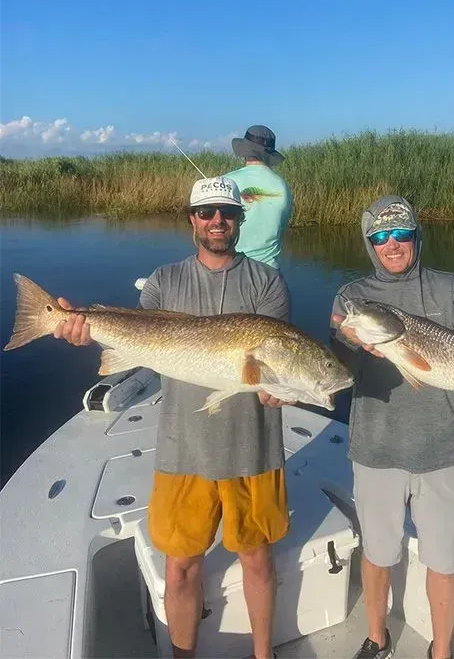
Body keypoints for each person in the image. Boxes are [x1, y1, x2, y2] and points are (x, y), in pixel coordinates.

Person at [54, 175, 290, 659]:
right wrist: (82, 329)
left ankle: (263, 655)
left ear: (240, 220)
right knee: (181, 566)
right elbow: (135, 344)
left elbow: (276, 370)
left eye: (227, 213)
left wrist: (279, 389)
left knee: (258, 560)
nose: (217, 221)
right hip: (183, 448)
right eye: (206, 213)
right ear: (191, 220)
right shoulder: (164, 281)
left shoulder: (268, 283)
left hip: (254, 447)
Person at [329, 195, 454, 659]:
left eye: (401, 233)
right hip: (376, 448)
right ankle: (377, 636)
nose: (391, 244)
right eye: (380, 237)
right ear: (369, 243)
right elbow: (337, 368)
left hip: (444, 448)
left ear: (415, 237)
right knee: (378, 553)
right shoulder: (352, 299)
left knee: (444, 559)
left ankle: (441, 650)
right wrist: (346, 342)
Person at [225, 125, 293, 269]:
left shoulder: (226, 181)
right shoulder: (283, 187)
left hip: (234, 270)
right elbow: (282, 226)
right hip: (271, 274)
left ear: (245, 151)